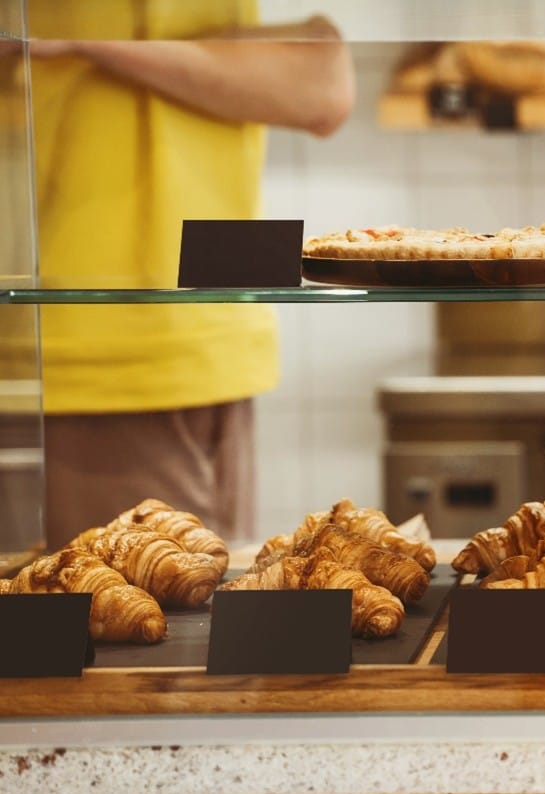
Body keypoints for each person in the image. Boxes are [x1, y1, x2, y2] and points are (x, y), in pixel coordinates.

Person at [24, 1, 355, 548]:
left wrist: (92, 45)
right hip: (93, 352)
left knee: (186, 618)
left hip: (180, 341)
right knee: (161, 619)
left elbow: (324, 82)